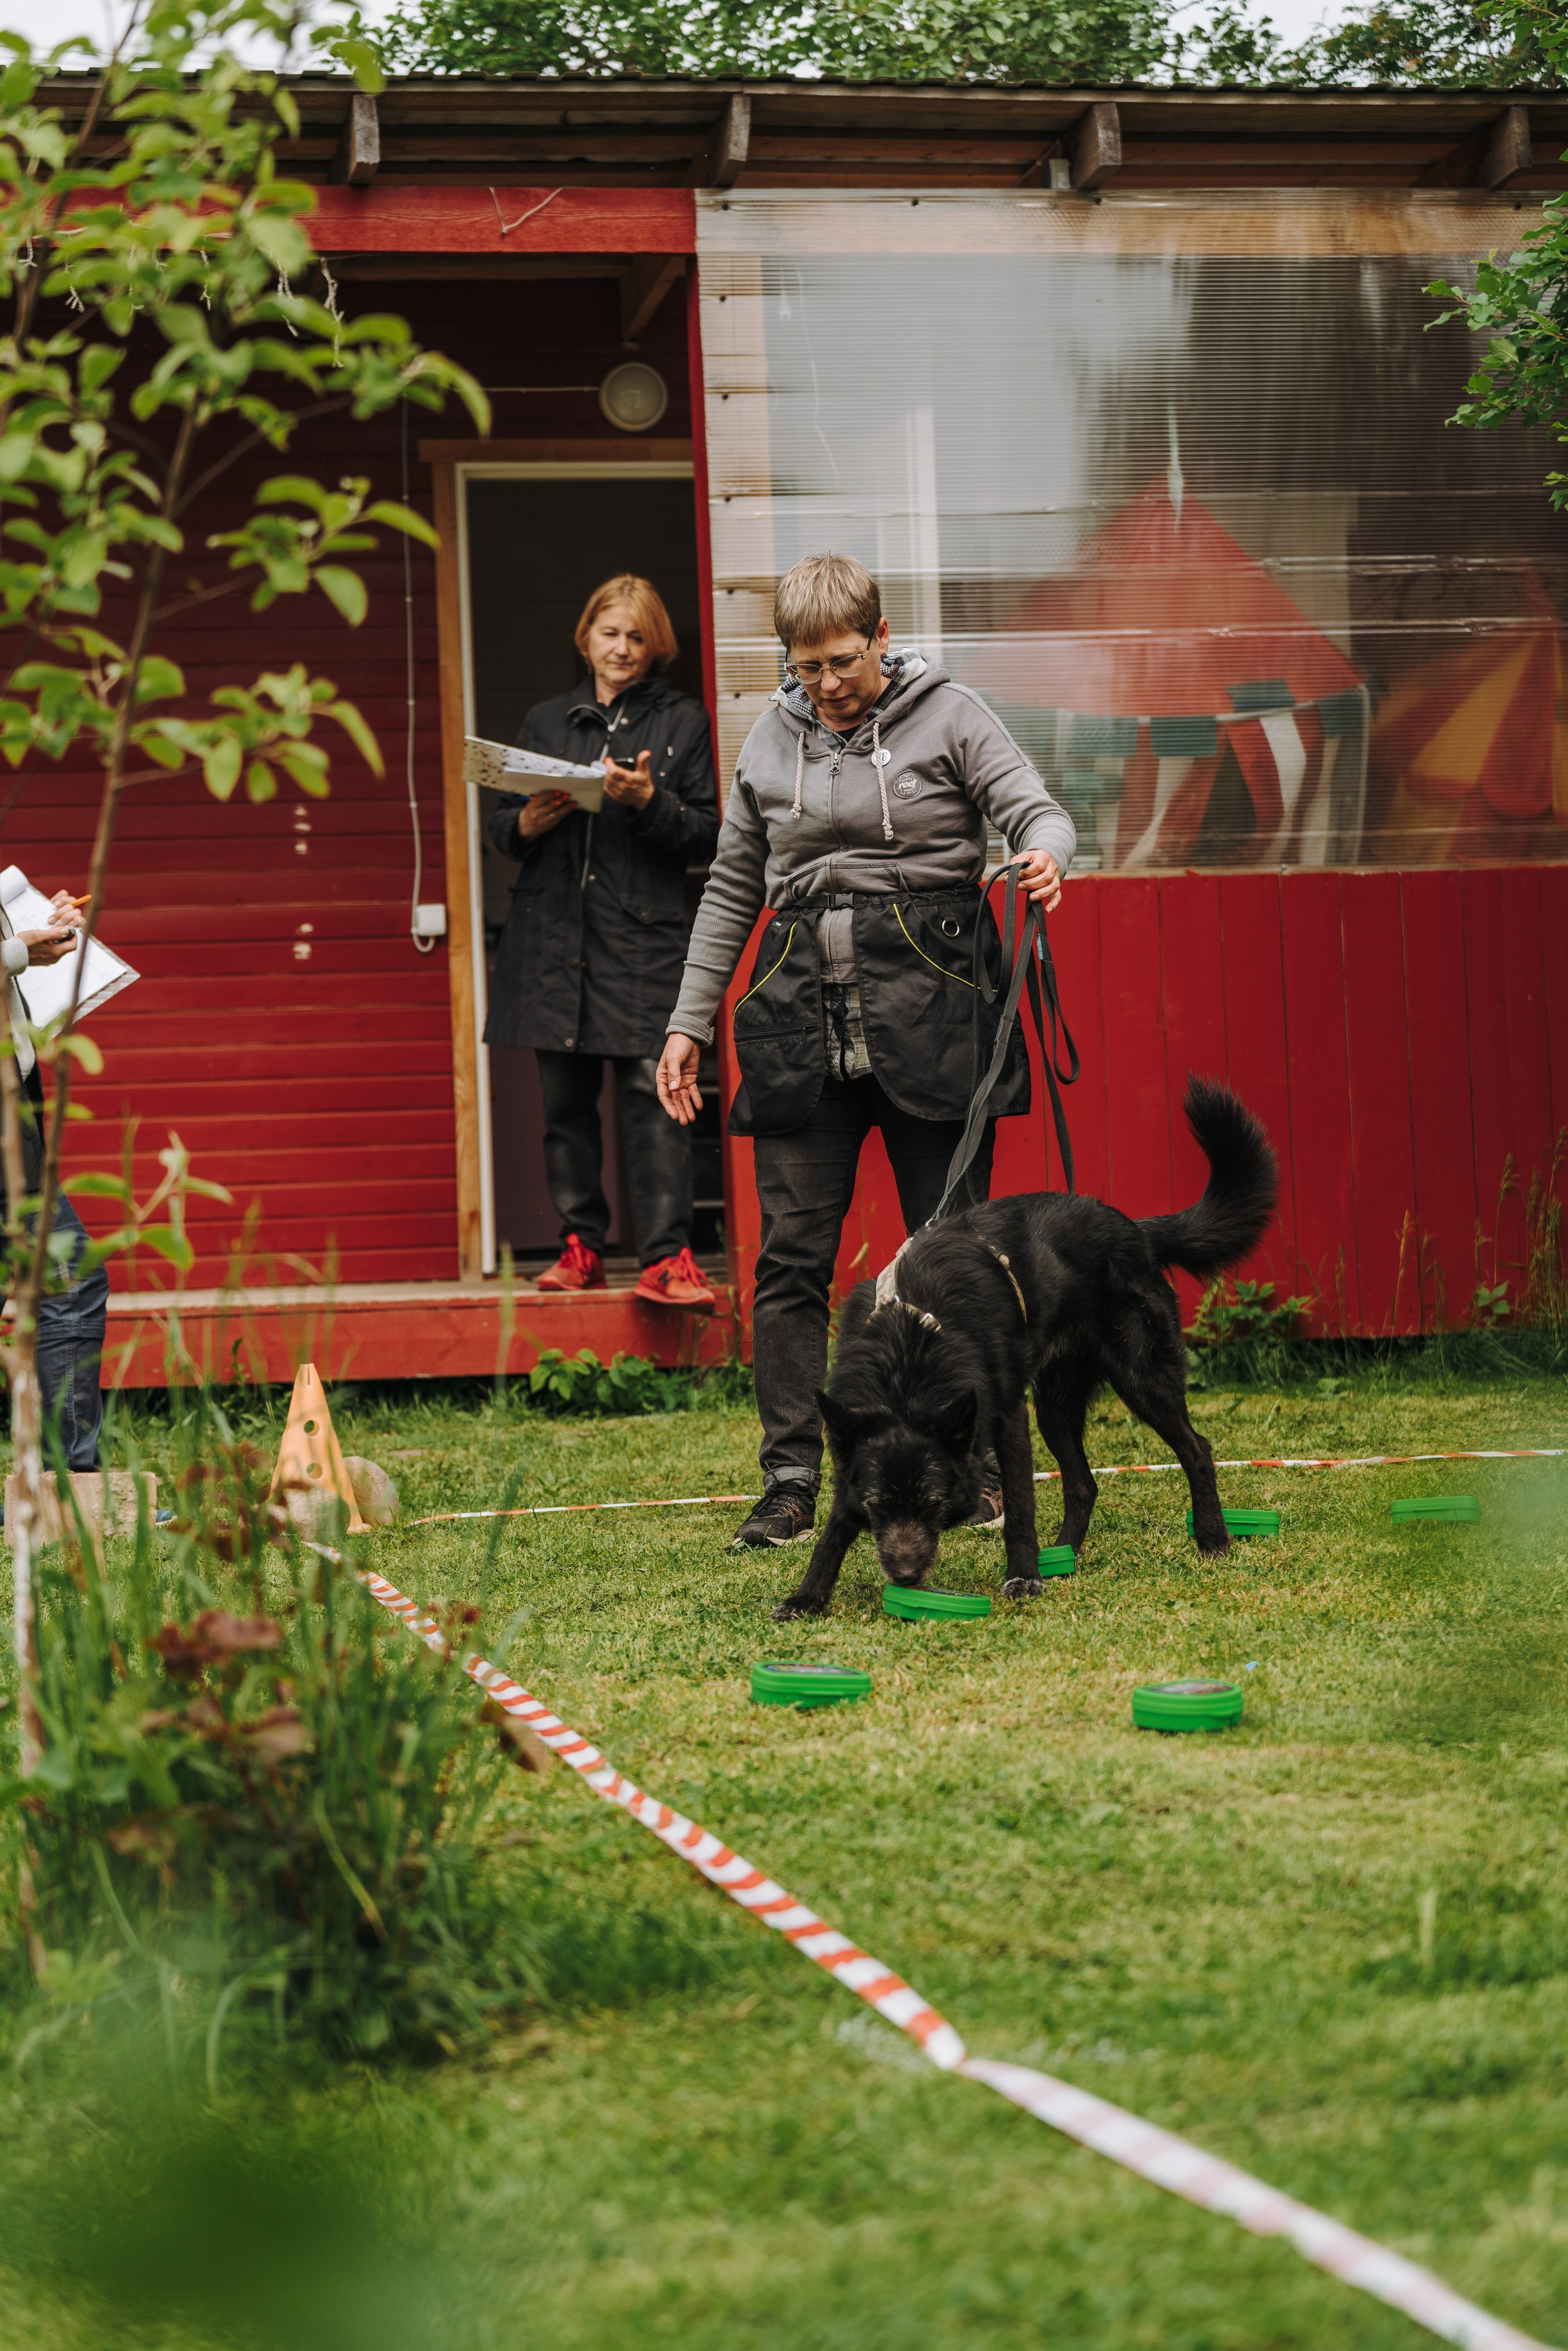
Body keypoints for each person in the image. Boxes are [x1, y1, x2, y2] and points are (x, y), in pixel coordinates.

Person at [657, 551, 1077, 1549]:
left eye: (843, 660)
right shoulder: (769, 739)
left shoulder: (952, 712)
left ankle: (967, 1467)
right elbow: (730, 888)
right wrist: (686, 1019)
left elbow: (1033, 803)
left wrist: (1048, 850)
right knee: (791, 1259)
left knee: (953, 1259)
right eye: (806, 668)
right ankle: (794, 1478)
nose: (826, 684)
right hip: (800, 1018)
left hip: (934, 1007)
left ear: (882, 639)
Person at [486, 573, 722, 1308]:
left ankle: (666, 1258)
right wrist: (530, 820)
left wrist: (650, 803)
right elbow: (502, 829)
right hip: (552, 944)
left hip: (642, 943)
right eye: (609, 632)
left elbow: (707, 833)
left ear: (657, 649)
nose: (621, 648)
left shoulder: (682, 722)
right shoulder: (546, 720)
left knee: (656, 1102)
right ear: (585, 637)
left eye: (636, 637)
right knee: (564, 1110)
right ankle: (579, 1246)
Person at [1, 888, 110, 1470]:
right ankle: (71, 1482)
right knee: (70, 1286)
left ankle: (67, 1481)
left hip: (15, 1096)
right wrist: (17, 950)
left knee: (70, 1285)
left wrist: (36, 927)